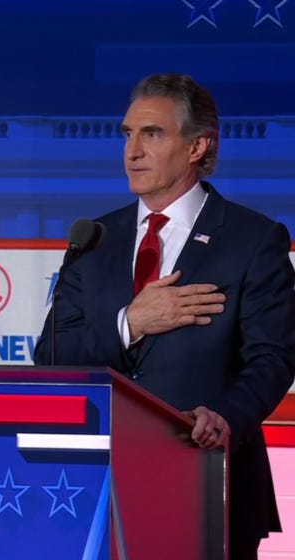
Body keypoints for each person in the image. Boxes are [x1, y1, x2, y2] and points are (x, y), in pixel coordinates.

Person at [34, 73, 295, 559]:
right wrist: (131, 323)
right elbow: (52, 356)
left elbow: (273, 357)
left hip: (209, 482)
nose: (132, 151)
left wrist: (225, 417)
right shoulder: (93, 239)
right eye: (127, 134)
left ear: (198, 146)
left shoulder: (252, 240)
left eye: (151, 134)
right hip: (94, 491)